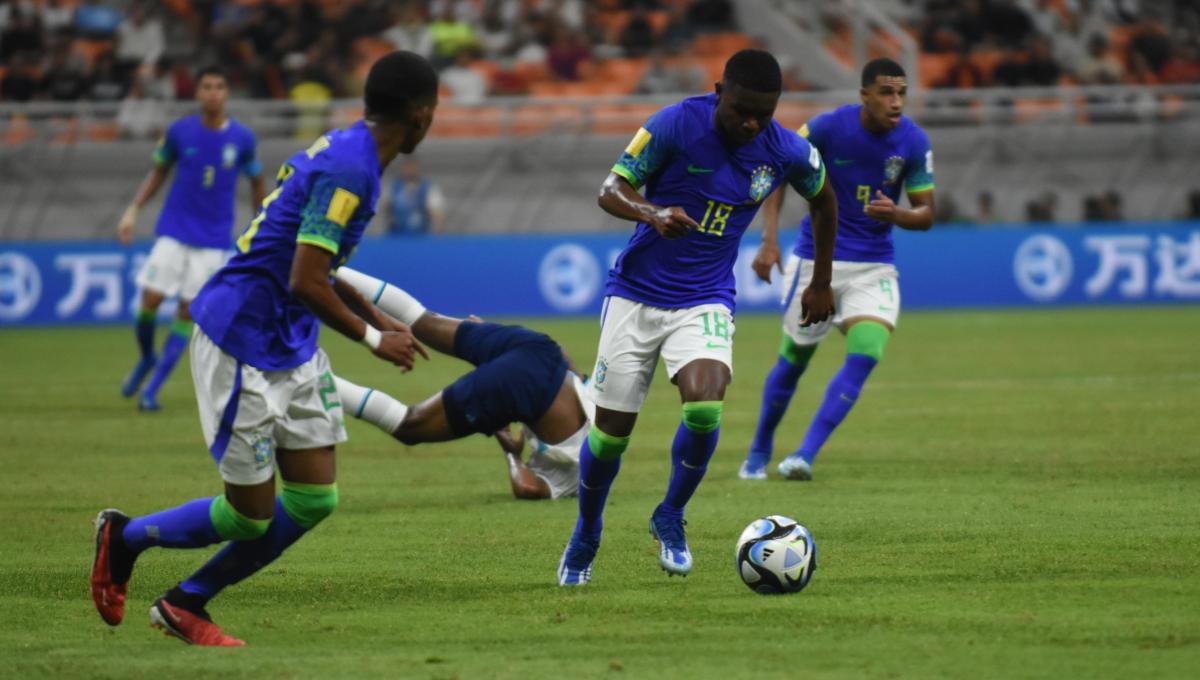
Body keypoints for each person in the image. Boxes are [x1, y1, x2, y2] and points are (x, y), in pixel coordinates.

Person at [90, 51, 438, 647]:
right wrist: (374, 337)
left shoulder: (350, 149)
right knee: (247, 515)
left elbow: (313, 264)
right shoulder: (353, 169)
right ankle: (123, 539)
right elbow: (305, 278)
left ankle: (185, 601)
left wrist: (375, 313)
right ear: (421, 113)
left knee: (312, 499)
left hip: (292, 340)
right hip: (241, 338)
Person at [557, 49, 838, 586]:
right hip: (636, 294)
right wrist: (652, 211)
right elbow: (609, 189)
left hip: (705, 296)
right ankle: (587, 532)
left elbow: (826, 202)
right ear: (719, 92)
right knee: (611, 435)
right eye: (740, 110)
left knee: (706, 404)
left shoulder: (786, 150)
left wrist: (821, 281)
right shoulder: (673, 125)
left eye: (764, 112)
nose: (751, 123)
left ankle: (670, 514)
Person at [739, 58, 935, 483]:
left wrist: (898, 214)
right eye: (886, 92)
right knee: (794, 361)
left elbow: (926, 213)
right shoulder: (828, 128)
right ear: (864, 94)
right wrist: (769, 241)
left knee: (866, 355)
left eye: (901, 92)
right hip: (815, 263)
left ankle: (804, 455)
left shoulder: (914, 142)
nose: (896, 101)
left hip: (874, 266)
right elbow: (776, 176)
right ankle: (758, 450)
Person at [331, 268, 592, 500]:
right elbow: (528, 488)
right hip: (522, 390)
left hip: (537, 348)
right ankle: (316, 380)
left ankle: (330, 267)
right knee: (408, 426)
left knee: (422, 320)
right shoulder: (576, 480)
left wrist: (496, 342)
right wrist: (512, 454)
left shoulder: (603, 415)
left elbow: (564, 354)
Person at [116, 66, 265, 411]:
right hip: (174, 231)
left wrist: (263, 226)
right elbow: (158, 172)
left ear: (227, 93)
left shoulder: (242, 139)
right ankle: (146, 358)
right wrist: (132, 210)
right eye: (207, 87)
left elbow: (257, 181)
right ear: (197, 93)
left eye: (219, 86)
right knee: (148, 303)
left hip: (213, 241)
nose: (213, 93)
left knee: (187, 312)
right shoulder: (180, 132)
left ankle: (152, 389)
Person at [381, 158, 446, 235]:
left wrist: (439, 229)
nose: (410, 171)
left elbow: (436, 213)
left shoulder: (427, 188)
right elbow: (386, 208)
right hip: (397, 235)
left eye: (412, 168)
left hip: (420, 235)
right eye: (407, 167)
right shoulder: (394, 188)